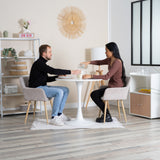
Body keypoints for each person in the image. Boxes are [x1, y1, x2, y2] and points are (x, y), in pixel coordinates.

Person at [29, 44, 80, 126]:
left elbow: (46, 79)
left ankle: (59, 114)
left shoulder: (42, 64)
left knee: (65, 89)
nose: (51, 54)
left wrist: (57, 76)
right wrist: (71, 72)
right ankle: (54, 117)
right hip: (37, 89)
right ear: (44, 53)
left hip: (42, 87)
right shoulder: (39, 63)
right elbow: (52, 70)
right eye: (49, 52)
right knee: (59, 92)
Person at [81, 42, 126, 123]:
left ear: (112, 51)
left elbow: (106, 77)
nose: (105, 53)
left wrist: (91, 76)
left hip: (116, 88)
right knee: (95, 94)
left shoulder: (117, 62)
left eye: (106, 51)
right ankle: (107, 114)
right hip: (112, 87)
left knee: (94, 94)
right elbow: (99, 62)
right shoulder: (110, 60)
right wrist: (88, 62)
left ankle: (107, 115)